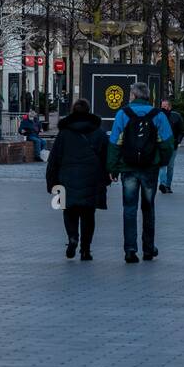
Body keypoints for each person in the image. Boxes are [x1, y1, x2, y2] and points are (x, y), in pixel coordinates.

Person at [107, 83, 175, 263]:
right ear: (146, 96)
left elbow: (114, 143)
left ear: (133, 95)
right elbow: (168, 143)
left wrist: (112, 168)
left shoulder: (123, 114)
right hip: (149, 169)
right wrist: (162, 162)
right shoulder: (158, 115)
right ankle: (148, 248)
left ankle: (130, 250)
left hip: (128, 168)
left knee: (129, 208)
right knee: (148, 207)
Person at [46, 98, 110, 261]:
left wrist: (51, 182)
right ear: (88, 111)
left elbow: (54, 159)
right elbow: (106, 157)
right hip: (91, 178)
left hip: (67, 178)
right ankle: (86, 250)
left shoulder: (64, 133)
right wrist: (107, 178)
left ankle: (72, 238)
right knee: (89, 215)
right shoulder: (98, 132)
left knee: (68, 211)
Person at [158, 97, 184, 194]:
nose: (163, 108)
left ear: (169, 107)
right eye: (162, 106)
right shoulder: (158, 116)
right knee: (162, 165)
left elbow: (181, 130)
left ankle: (168, 185)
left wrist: (177, 141)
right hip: (161, 144)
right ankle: (162, 183)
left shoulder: (176, 116)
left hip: (172, 145)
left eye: (165, 106)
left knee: (170, 166)